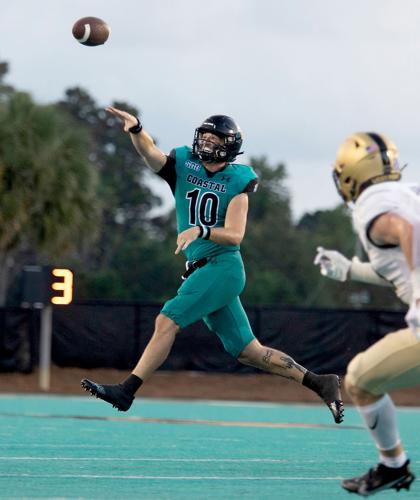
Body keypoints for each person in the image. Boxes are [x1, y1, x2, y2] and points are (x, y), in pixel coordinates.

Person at [81, 107, 344, 424]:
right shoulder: (184, 165)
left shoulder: (238, 181)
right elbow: (151, 154)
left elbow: (235, 236)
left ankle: (126, 391)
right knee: (249, 351)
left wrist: (201, 230)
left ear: (229, 145)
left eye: (213, 138)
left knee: (167, 320)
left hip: (222, 267)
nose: (205, 143)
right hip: (203, 268)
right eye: (203, 137)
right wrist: (137, 130)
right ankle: (321, 382)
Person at [314, 131, 418, 496]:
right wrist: (350, 270)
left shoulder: (372, 202)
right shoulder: (407, 193)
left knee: (359, 378)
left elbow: (411, 231)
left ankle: (393, 465)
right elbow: (398, 266)